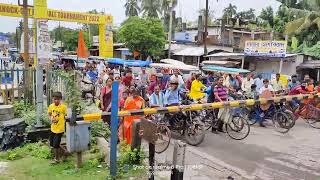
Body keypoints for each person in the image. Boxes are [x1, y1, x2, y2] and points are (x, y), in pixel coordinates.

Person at [48, 92, 67, 164]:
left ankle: (57, 159)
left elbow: (67, 116)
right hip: (53, 128)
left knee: (56, 145)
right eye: (55, 99)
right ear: (53, 99)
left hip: (60, 129)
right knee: (52, 143)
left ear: (60, 99)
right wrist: (51, 119)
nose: (56, 101)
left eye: (58, 99)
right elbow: (49, 114)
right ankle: (65, 151)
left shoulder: (63, 107)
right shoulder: (51, 106)